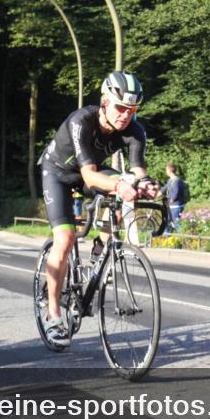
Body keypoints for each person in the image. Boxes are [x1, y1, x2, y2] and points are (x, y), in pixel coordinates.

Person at [37, 71, 160, 347]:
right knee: (66, 239)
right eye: (120, 108)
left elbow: (138, 172)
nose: (126, 115)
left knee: (125, 188)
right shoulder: (82, 120)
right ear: (105, 101)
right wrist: (120, 185)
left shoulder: (135, 131)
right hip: (58, 172)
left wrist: (147, 185)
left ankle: (100, 251)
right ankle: (53, 313)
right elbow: (91, 178)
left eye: (132, 110)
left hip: (88, 171)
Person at [163, 163, 189, 234]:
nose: (166, 172)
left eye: (166, 170)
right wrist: (155, 195)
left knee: (176, 223)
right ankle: (166, 238)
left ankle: (184, 238)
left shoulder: (177, 181)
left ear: (170, 171)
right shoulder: (170, 180)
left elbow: (176, 192)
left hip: (176, 206)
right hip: (171, 205)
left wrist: (171, 200)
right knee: (166, 221)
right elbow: (164, 189)